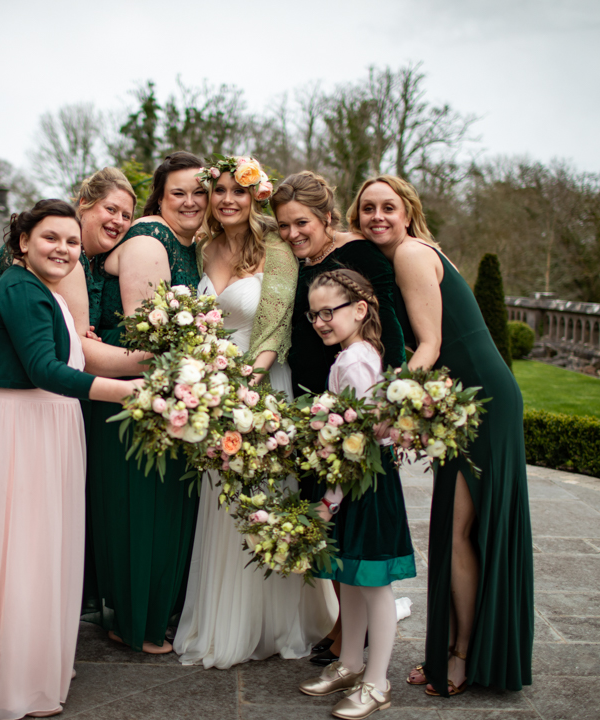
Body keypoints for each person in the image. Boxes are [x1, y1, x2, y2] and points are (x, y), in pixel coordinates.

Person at [0, 200, 141, 719]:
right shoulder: (21, 289)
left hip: (42, 426)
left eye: (72, 242)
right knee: (22, 554)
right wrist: (133, 392)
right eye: (51, 238)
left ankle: (31, 662)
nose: (63, 250)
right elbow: (43, 369)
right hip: (20, 430)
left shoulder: (40, 289)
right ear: (23, 241)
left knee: (37, 549)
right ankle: (17, 681)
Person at [349, 175, 534, 697]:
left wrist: (387, 405)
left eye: (388, 207)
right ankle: (456, 645)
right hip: (462, 401)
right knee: (458, 530)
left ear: (407, 213)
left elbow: (429, 345)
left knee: (457, 532)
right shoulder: (402, 256)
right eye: (367, 208)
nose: (378, 217)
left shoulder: (411, 254)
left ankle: (462, 654)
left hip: (482, 402)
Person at [172, 155, 336, 669]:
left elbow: (277, 324)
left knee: (263, 496)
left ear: (254, 195)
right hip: (212, 389)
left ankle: (278, 622)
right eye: (218, 191)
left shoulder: (276, 249)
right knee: (221, 501)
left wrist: (247, 383)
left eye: (237, 191)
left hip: (262, 386)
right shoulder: (202, 247)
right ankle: (223, 620)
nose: (227, 200)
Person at [270, 171, 409, 666]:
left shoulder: (358, 256)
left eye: (301, 223)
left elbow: (391, 328)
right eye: (284, 225)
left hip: (353, 407)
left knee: (346, 514)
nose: (292, 234)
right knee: (327, 516)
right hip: (313, 403)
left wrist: (390, 401)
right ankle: (345, 626)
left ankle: (353, 635)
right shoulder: (297, 262)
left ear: (326, 217)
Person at [83, 152, 207, 654]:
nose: (190, 201)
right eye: (179, 192)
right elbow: (146, 334)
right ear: (160, 198)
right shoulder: (150, 239)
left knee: (164, 504)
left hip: (170, 384)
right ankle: (136, 622)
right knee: (141, 505)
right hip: (135, 390)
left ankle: (154, 612)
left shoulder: (191, 245)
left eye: (199, 192)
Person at [297, 269, 415, 719]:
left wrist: (330, 501)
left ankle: (377, 682)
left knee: (375, 586)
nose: (320, 322)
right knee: (349, 576)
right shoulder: (354, 355)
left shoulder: (355, 361)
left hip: (364, 482)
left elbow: (358, 440)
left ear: (360, 310)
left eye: (329, 312)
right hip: (354, 480)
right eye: (314, 315)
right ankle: (349, 663)